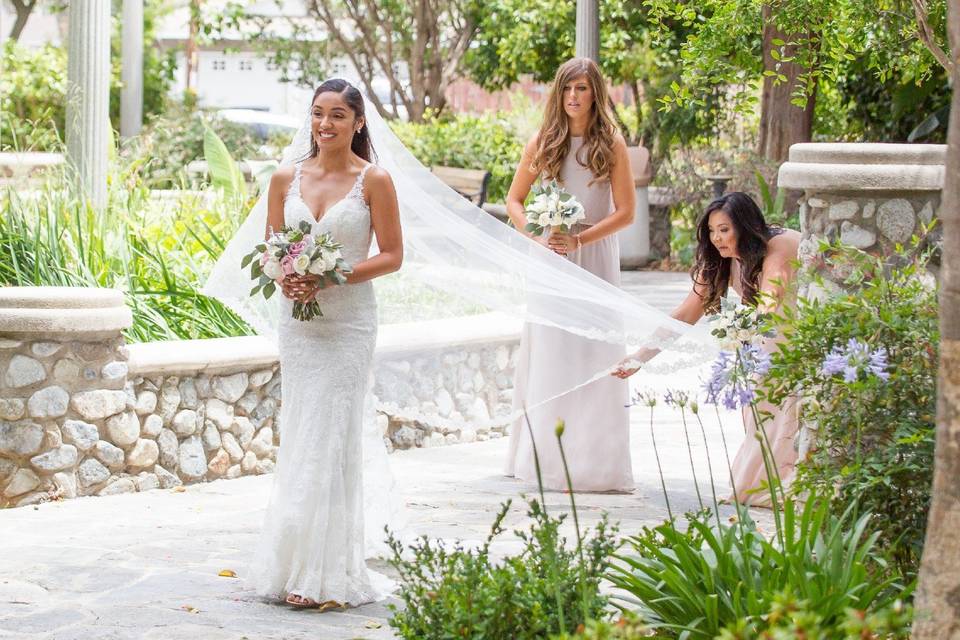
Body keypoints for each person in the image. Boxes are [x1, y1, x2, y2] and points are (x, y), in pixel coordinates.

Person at [248, 79, 402, 608]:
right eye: (318, 114)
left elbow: (392, 256)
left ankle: (326, 571)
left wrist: (333, 276)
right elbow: (270, 250)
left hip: (349, 325)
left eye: (338, 115)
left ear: (359, 122)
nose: (325, 125)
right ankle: (292, 562)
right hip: (299, 325)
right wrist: (283, 275)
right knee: (302, 430)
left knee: (334, 435)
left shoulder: (374, 180)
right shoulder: (284, 177)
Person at [613, 192, 801, 506]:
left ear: (745, 226)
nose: (716, 239)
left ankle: (795, 485)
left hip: (799, 336)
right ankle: (768, 486)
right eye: (711, 231)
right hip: (764, 338)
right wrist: (639, 357)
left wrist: (742, 327)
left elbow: (770, 300)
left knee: (792, 411)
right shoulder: (721, 262)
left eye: (724, 230)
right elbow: (684, 315)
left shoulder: (778, 248)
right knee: (763, 412)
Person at [504, 57, 637, 493]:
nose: (574, 97)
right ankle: (546, 460)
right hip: (550, 258)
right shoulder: (544, 141)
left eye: (582, 89)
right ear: (558, 95)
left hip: (594, 256)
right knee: (553, 352)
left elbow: (626, 213)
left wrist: (582, 240)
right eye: (567, 89)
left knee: (595, 353)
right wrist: (538, 237)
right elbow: (515, 202)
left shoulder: (610, 143)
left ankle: (596, 463)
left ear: (596, 94)